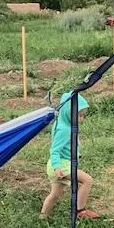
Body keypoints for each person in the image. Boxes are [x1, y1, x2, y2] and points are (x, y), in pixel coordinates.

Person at [40, 91, 98, 220]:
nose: (81, 119)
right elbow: (54, 150)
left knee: (54, 195)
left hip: (59, 164)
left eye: (83, 116)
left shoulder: (63, 123)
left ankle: (42, 217)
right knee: (87, 180)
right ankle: (80, 210)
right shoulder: (64, 129)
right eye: (79, 115)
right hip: (61, 164)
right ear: (68, 112)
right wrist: (57, 167)